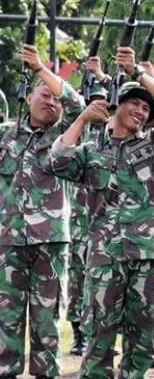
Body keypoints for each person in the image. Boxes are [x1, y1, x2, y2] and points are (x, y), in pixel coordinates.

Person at [47, 45, 154, 378]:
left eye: (145, 108)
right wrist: (82, 118)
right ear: (117, 105)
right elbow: (56, 161)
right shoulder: (91, 148)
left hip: (149, 255)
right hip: (105, 257)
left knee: (142, 343)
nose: (140, 111)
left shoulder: (152, 143)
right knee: (99, 339)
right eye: (134, 103)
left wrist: (139, 73)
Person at [0, 45, 85, 378]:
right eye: (44, 95)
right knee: (5, 316)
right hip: (7, 242)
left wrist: (40, 68)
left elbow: (77, 104)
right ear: (28, 97)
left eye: (55, 98)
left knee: (47, 319)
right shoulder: (5, 136)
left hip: (50, 243)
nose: (51, 102)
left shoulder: (66, 137)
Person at [67, 84, 108, 357]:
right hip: (77, 219)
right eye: (93, 101)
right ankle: (78, 335)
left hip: (103, 223)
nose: (98, 106)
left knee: (100, 284)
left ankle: (98, 337)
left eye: (104, 101)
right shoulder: (77, 129)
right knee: (76, 280)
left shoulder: (114, 133)